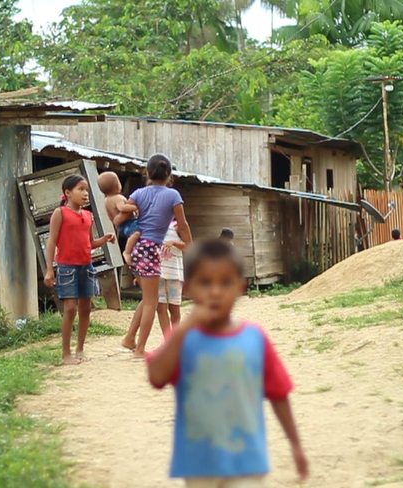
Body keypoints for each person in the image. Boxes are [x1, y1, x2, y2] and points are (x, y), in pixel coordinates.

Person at [147, 239, 308, 487]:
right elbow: (156, 377)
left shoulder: (254, 338)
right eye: (205, 282)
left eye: (225, 282)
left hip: (247, 462)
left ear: (241, 287)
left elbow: (279, 393)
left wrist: (295, 444)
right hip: (199, 465)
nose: (215, 292)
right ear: (187, 288)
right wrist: (182, 330)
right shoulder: (182, 340)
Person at [120, 154, 192, 359]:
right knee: (152, 302)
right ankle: (140, 349)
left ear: (147, 172)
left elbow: (121, 217)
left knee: (147, 298)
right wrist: (190, 244)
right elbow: (183, 225)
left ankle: (130, 339)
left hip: (138, 247)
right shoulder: (173, 196)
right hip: (152, 249)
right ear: (169, 174)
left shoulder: (138, 193)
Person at [44, 174, 116, 365]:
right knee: (70, 309)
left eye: (87, 190)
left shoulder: (88, 215)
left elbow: (90, 243)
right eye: (80, 189)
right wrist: (50, 269)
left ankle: (80, 349)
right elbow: (51, 242)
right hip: (67, 268)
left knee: (85, 310)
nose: (85, 194)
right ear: (68, 193)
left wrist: (105, 239)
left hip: (87, 267)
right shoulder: (60, 213)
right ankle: (66, 353)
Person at [98, 171, 141, 266]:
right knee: (137, 232)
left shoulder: (106, 200)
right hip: (128, 223)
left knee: (137, 236)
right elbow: (122, 208)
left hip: (121, 227)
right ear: (117, 185)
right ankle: (127, 251)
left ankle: (133, 252)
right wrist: (136, 207)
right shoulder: (118, 197)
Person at [156, 219, 186, 337]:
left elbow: (188, 245)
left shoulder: (177, 226)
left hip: (174, 274)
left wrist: (173, 242)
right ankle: (168, 340)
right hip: (157, 273)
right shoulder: (154, 224)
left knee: (174, 308)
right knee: (160, 307)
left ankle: (176, 338)